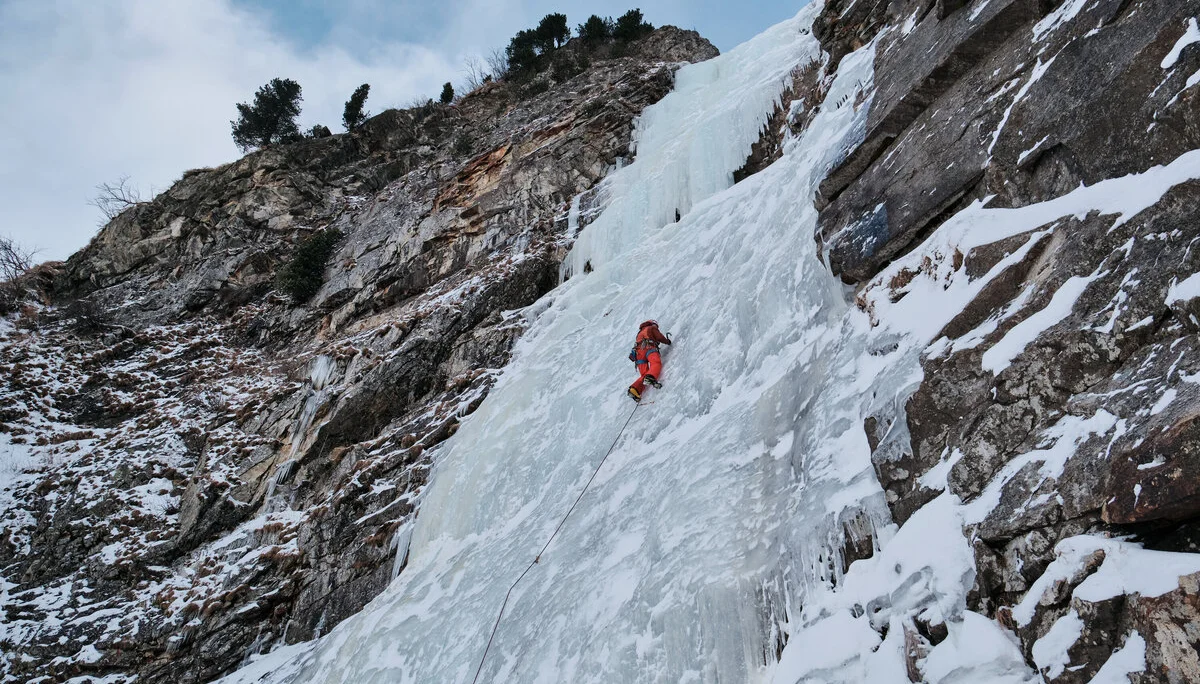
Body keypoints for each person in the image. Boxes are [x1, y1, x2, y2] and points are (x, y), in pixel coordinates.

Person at [627, 319, 671, 402]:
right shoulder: (651, 328)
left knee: (644, 374)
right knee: (656, 363)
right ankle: (651, 377)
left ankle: (634, 389)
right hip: (648, 348)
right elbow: (659, 337)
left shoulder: (639, 334)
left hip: (638, 354)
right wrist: (667, 341)